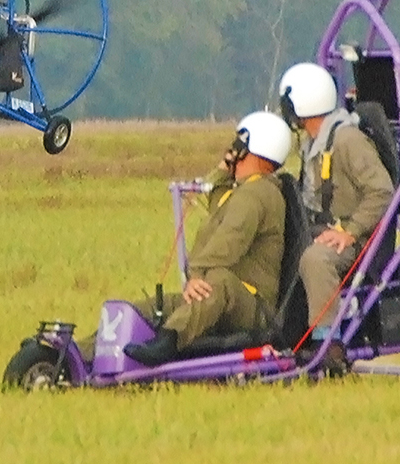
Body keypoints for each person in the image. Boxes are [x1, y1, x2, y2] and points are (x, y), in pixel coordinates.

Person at [123, 111, 293, 364]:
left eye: (238, 144)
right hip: (217, 297)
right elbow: (217, 200)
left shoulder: (257, 195)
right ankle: (75, 355)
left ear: (250, 148)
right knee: (148, 308)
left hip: (250, 307)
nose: (233, 150)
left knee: (218, 279)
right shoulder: (244, 192)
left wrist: (197, 273)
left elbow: (228, 242)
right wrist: (223, 171)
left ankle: (169, 342)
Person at [278, 62, 395, 335]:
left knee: (316, 260)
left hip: (356, 238)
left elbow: (381, 191)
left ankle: (326, 343)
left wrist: (350, 232)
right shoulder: (313, 142)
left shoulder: (346, 140)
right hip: (323, 228)